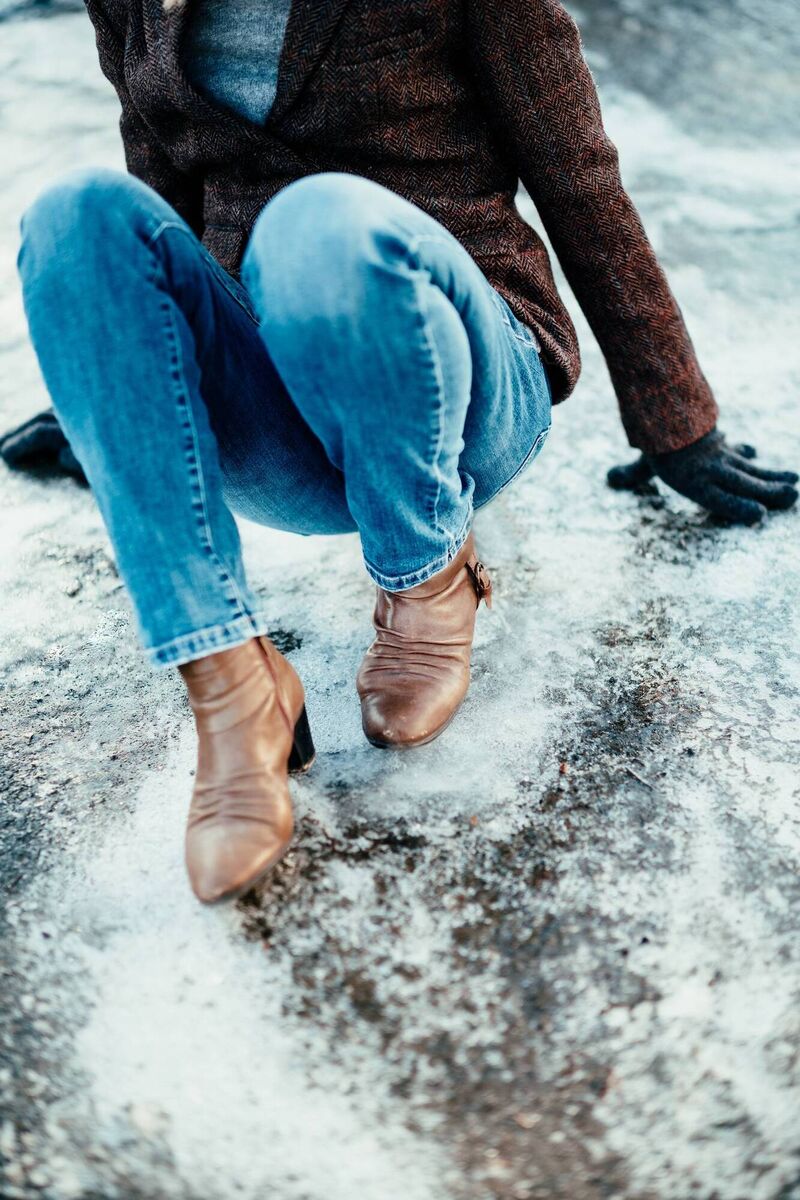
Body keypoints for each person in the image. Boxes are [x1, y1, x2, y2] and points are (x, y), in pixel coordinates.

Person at [5, 0, 796, 904]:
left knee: (321, 221)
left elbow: (576, 170)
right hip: (282, 417)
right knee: (75, 216)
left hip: (462, 381)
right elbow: (157, 192)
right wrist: (111, 402)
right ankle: (231, 683)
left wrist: (675, 418)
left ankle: (426, 575)